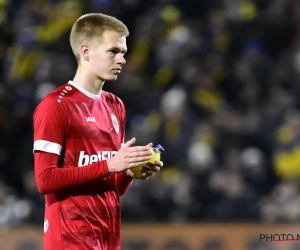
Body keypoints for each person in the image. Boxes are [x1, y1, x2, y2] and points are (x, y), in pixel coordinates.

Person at [33, 13, 163, 250]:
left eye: (123, 52)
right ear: (86, 52)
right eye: (113, 51)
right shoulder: (55, 106)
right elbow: (44, 180)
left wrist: (128, 172)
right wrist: (109, 165)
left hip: (108, 237)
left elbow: (111, 186)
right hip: (70, 239)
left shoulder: (115, 106)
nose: (122, 60)